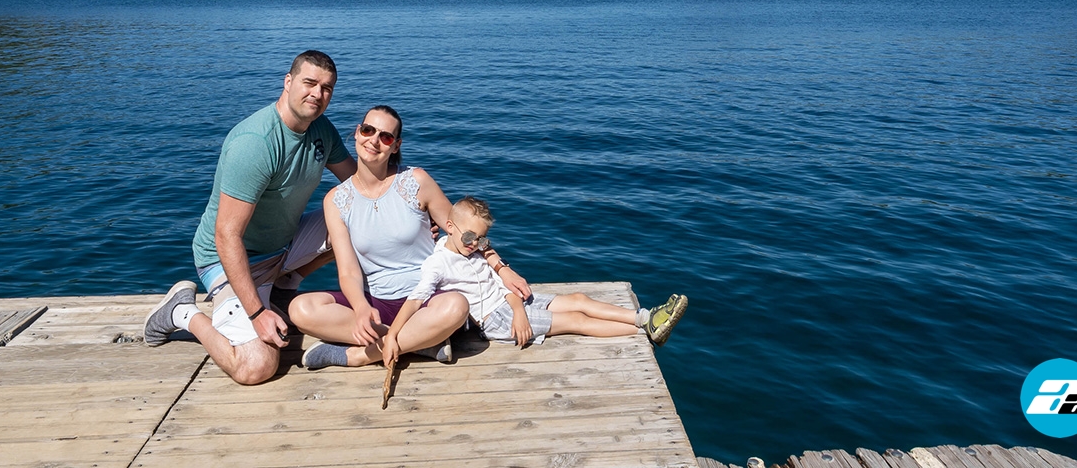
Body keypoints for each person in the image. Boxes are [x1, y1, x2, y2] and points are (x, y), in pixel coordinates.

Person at [142, 50, 356, 385]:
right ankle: (182, 312)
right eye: (309, 83)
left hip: (282, 247)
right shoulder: (255, 143)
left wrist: (420, 214)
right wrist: (257, 314)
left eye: (327, 88)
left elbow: (361, 186)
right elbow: (226, 235)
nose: (317, 94)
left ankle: (285, 287)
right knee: (256, 366)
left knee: (356, 216)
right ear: (288, 82)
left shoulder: (321, 130)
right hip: (228, 260)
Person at [290, 105, 531, 369]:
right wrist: (360, 308)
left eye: (386, 136)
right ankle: (423, 341)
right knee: (301, 308)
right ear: (357, 133)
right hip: (376, 300)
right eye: (368, 130)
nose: (374, 140)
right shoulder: (336, 200)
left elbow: (465, 232)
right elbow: (347, 270)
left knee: (457, 306)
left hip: (427, 297)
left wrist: (502, 268)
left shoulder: (416, 181)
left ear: (395, 146)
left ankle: (360, 355)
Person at [382, 196, 687, 366]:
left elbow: (501, 281)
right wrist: (394, 336)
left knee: (579, 299)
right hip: (497, 318)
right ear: (449, 226)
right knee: (575, 320)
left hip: (511, 302)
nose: (476, 244)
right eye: (470, 236)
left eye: (482, 238)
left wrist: (516, 302)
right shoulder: (439, 263)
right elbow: (415, 300)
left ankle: (644, 317)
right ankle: (643, 334)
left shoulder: (474, 249)